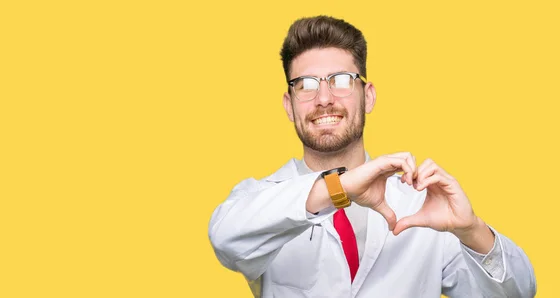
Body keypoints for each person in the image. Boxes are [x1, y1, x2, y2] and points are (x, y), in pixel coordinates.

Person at [208, 15, 536, 297]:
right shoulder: (263, 200)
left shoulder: (420, 203)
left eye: (340, 81)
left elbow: (519, 292)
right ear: (288, 106)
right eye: (306, 85)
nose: (323, 98)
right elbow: (226, 240)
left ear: (368, 97)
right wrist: (340, 188)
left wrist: (471, 230)